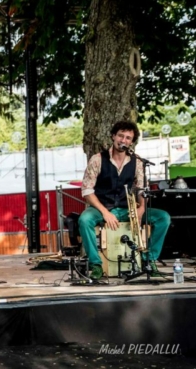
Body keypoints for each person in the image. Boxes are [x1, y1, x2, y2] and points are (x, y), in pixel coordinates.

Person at [79, 120, 170, 280]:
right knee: (85, 220)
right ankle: (96, 264)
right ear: (113, 136)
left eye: (128, 138)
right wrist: (105, 213)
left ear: (131, 142)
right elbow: (87, 191)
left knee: (163, 218)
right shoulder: (97, 159)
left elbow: (141, 189)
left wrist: (142, 208)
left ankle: (149, 260)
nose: (123, 140)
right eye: (121, 136)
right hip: (102, 208)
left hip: (127, 209)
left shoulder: (138, 162)